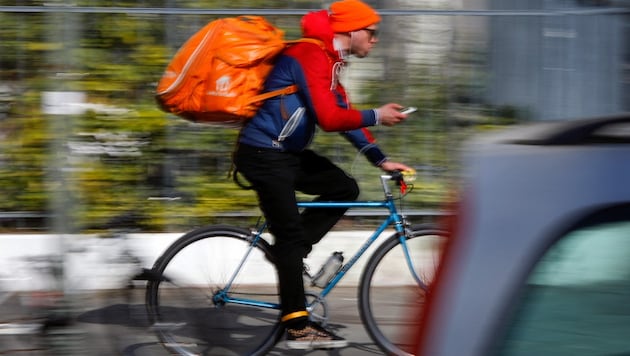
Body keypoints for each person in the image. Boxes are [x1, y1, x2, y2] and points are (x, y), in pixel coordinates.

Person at [233, 0, 412, 350]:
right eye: (371, 33)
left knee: (343, 187)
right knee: (288, 240)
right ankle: (298, 326)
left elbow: (343, 114)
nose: (374, 40)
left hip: (284, 154)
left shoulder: (330, 61)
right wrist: (376, 114)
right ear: (351, 31)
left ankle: (291, 253)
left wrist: (381, 159)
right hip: (263, 155)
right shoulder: (309, 55)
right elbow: (330, 119)